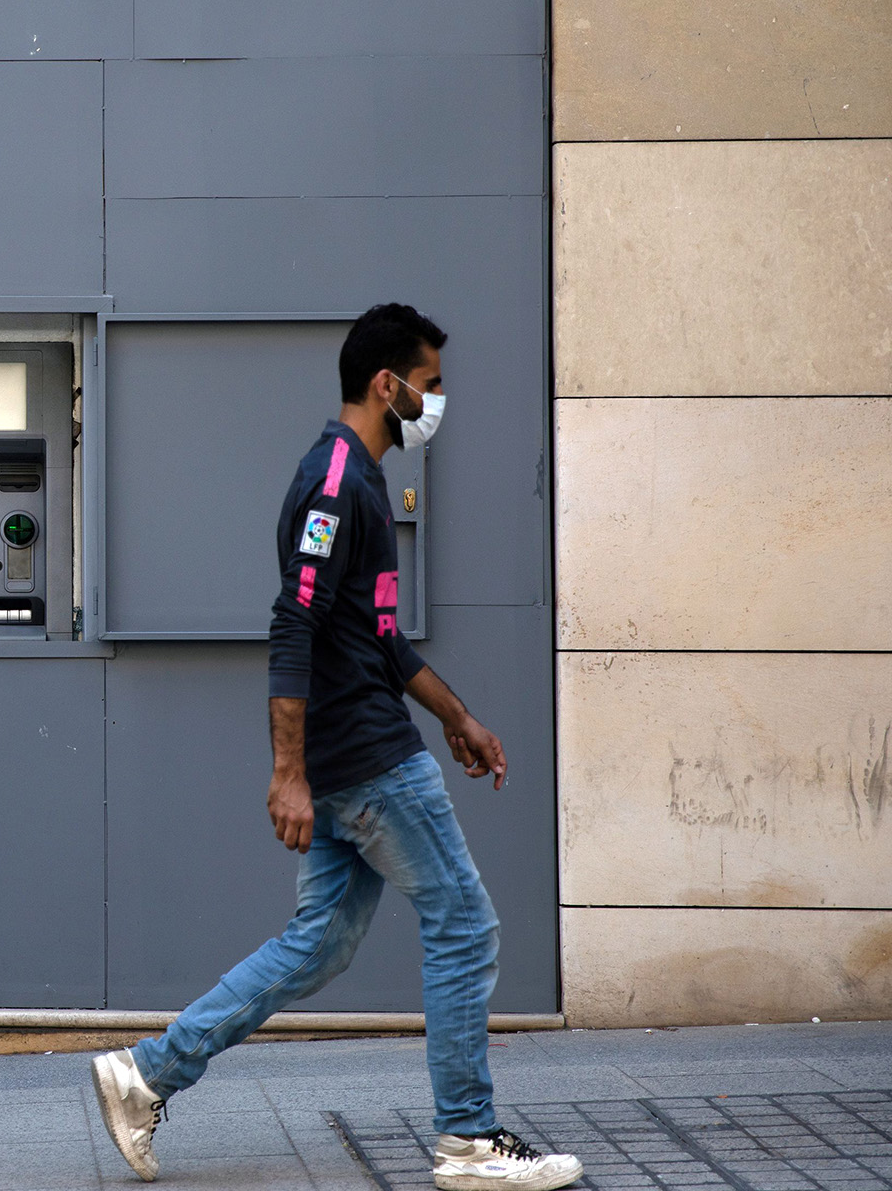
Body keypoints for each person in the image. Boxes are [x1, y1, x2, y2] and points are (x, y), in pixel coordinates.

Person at [90, 304, 583, 1191]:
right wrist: (286, 774)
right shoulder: (335, 483)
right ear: (387, 385)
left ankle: (146, 1072)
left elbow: (380, 641)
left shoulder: (363, 481)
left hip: (351, 754)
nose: (439, 402)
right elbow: (295, 625)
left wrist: (457, 716)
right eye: (430, 385)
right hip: (366, 761)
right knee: (465, 925)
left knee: (319, 943)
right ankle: (468, 1140)